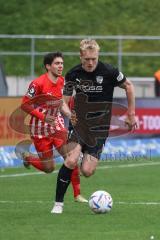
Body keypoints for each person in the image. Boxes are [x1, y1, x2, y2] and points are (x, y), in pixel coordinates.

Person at [51, 39, 137, 214]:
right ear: (81, 56)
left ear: (98, 56)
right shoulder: (73, 73)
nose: (90, 63)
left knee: (87, 171)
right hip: (79, 124)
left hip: (100, 128)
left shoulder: (109, 71)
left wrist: (131, 113)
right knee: (71, 159)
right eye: (87, 59)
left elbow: (128, 86)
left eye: (94, 59)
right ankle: (58, 204)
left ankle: (84, 156)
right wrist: (69, 114)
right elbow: (64, 101)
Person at [15, 52, 87, 203]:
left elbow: (61, 102)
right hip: (40, 129)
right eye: (57, 63)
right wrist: (43, 117)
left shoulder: (61, 81)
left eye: (61, 63)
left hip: (58, 125)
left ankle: (77, 194)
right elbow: (24, 104)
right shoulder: (38, 83)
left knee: (70, 157)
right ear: (48, 66)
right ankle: (28, 157)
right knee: (49, 168)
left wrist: (70, 115)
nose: (60, 66)